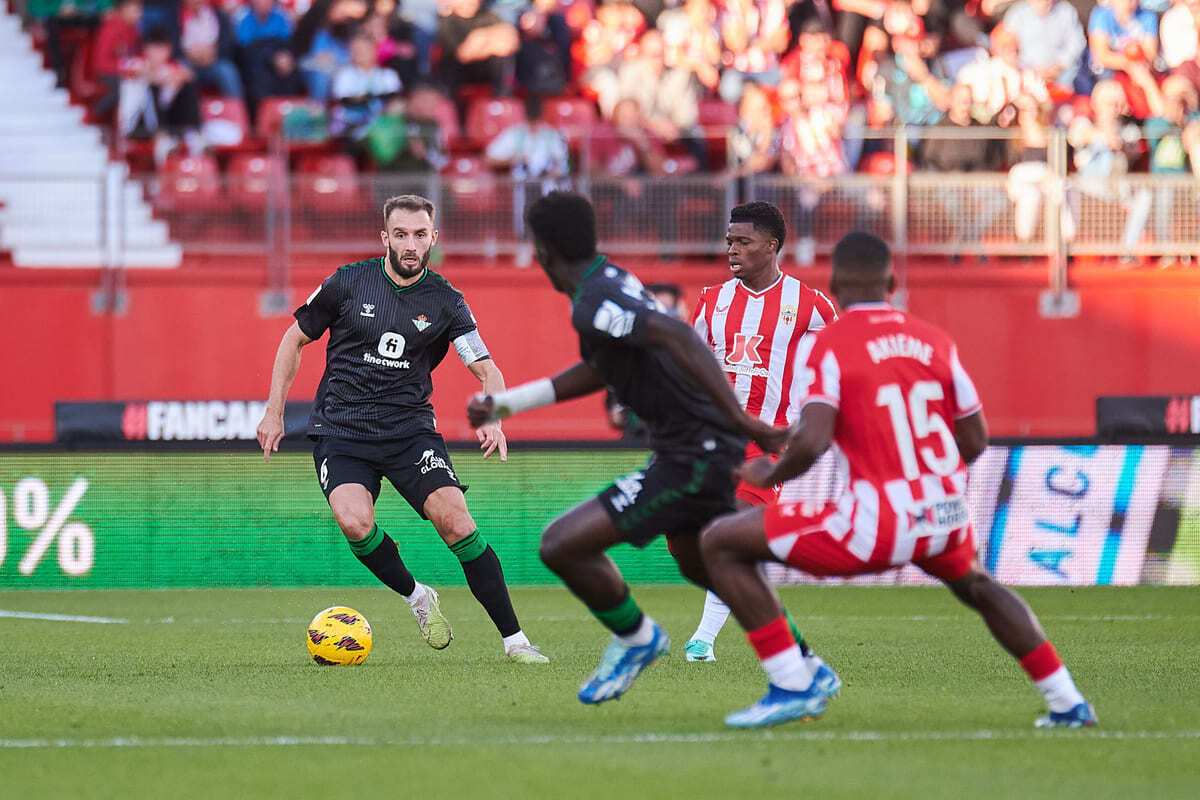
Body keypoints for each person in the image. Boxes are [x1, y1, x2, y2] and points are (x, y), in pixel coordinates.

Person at [699, 232, 1098, 730]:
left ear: (836, 283)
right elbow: (974, 439)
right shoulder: (935, 341)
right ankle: (1067, 701)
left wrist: (771, 471)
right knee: (979, 587)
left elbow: (813, 438)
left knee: (720, 542)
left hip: (876, 522)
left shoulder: (831, 343)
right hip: (943, 512)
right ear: (891, 282)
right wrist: (931, 482)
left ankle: (794, 682)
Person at [466, 191, 839, 705]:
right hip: (692, 447)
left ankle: (639, 639)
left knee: (562, 544)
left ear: (544, 249)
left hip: (699, 451)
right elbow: (602, 367)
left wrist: (740, 420)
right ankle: (804, 667)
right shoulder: (609, 282)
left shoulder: (596, 298)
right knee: (702, 561)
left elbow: (677, 337)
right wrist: (508, 404)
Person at [256, 194, 548, 665]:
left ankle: (516, 642)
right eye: (401, 234)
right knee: (354, 521)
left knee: (456, 522)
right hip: (342, 431)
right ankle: (417, 595)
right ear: (385, 238)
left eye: (419, 235)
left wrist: (493, 415)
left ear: (434, 238)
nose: (410, 244)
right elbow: (294, 339)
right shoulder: (347, 282)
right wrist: (274, 412)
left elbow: (487, 368)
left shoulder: (447, 301)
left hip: (410, 433)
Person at [681, 202, 838, 663]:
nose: (732, 250)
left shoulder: (810, 304)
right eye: (729, 241)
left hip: (767, 441)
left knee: (733, 530)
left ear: (771, 246)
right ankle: (785, 637)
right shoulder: (711, 301)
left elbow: (844, 357)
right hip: (711, 439)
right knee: (688, 537)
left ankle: (702, 640)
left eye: (743, 242)